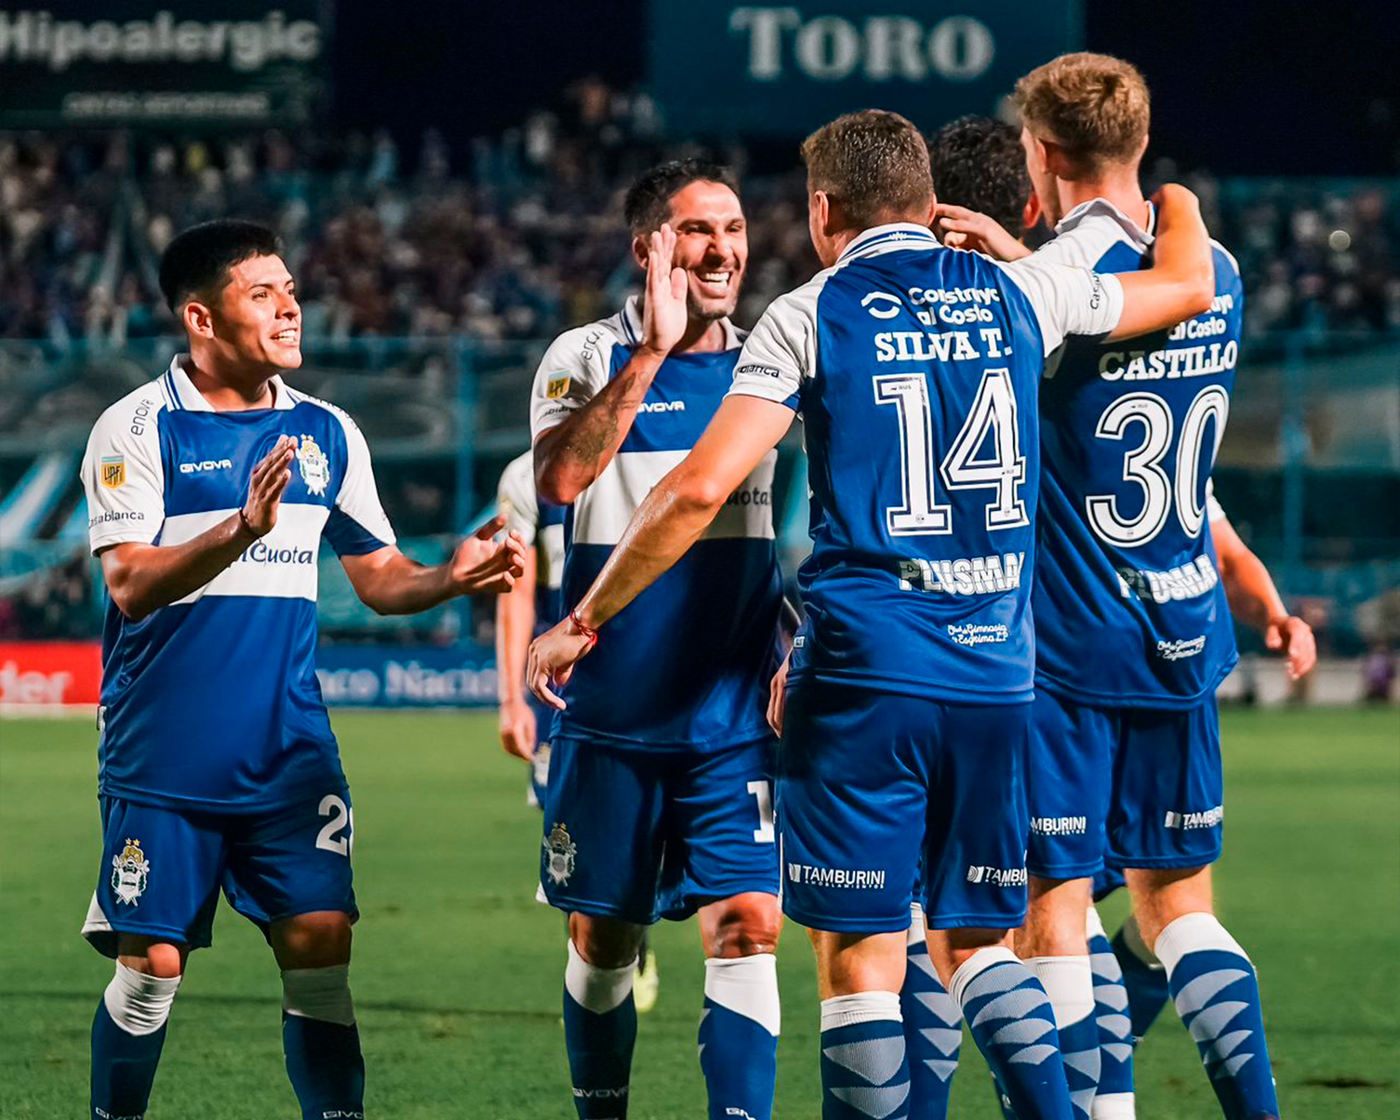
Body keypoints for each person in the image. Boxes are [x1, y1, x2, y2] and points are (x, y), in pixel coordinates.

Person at [529, 109, 1215, 1120]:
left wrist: (584, 617)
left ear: (820, 211)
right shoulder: (1021, 288)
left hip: (864, 675)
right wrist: (1176, 201)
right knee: (976, 942)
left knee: (857, 959)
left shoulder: (809, 312)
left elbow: (692, 490)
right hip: (995, 676)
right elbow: (1186, 284)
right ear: (925, 198)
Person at [79, 219, 524, 1120]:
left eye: (290, 289)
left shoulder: (328, 431)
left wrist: (450, 577)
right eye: (263, 293)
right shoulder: (136, 428)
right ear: (201, 318)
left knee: (321, 951)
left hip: (289, 755)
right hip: (165, 756)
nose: (291, 307)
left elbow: (379, 575)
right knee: (151, 967)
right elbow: (129, 584)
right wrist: (239, 527)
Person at [938, 53, 1291, 1120]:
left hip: (1068, 643)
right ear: (1136, 144)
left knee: (1053, 907)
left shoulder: (1044, 284)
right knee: (1178, 908)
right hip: (1180, 627)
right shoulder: (1212, 265)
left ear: (1038, 155)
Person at [528, 159, 786, 1120]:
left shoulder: (773, 358)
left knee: (748, 927)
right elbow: (559, 482)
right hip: (612, 712)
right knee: (605, 945)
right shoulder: (583, 356)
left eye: (733, 227)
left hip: (729, 712)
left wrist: (800, 629)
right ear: (648, 250)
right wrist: (652, 354)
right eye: (696, 230)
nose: (723, 248)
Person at [493, 451, 660, 1012]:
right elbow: (515, 589)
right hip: (565, 675)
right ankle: (613, 940)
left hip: (650, 657)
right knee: (577, 845)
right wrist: (510, 696)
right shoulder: (526, 475)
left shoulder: (658, 443)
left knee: (652, 820)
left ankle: (633, 930)